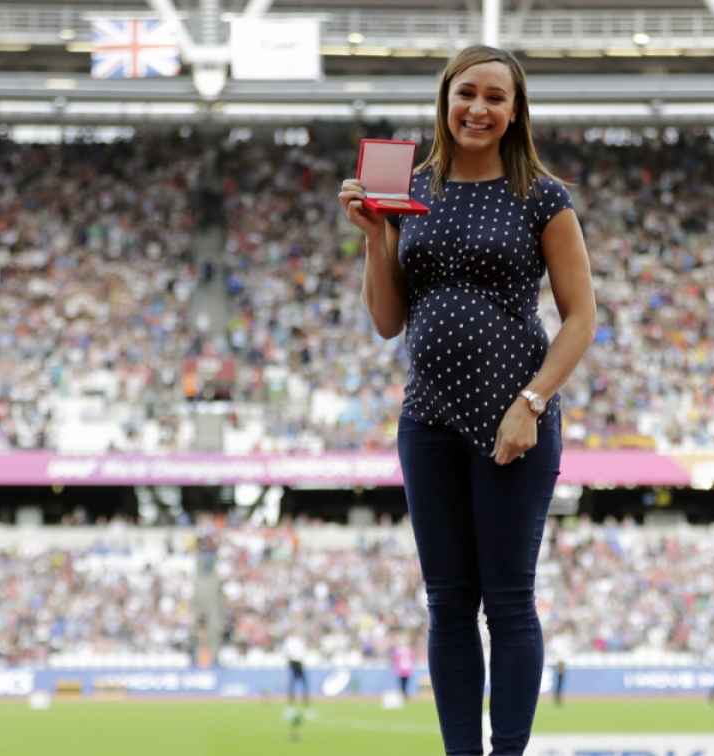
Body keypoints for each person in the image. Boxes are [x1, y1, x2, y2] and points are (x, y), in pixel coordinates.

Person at [338, 44, 596, 756]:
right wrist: (374, 239)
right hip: (427, 419)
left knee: (508, 603)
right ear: (445, 100)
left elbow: (581, 318)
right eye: (466, 94)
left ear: (515, 112)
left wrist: (532, 402)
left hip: (515, 421)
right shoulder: (407, 187)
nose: (478, 109)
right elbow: (387, 320)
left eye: (494, 97)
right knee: (448, 604)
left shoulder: (543, 196)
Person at [283, 631, 309, 707]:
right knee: (295, 680)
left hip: (295, 661)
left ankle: (298, 697)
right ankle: (296, 697)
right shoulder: (293, 640)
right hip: (295, 661)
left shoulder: (293, 640)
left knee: (296, 680)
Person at [392, 634, 416, 702]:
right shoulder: (397, 651)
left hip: (407, 669)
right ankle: (403, 694)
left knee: (406, 683)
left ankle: (404, 693)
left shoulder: (409, 650)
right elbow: (395, 660)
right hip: (400, 670)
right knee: (402, 683)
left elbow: (412, 659)